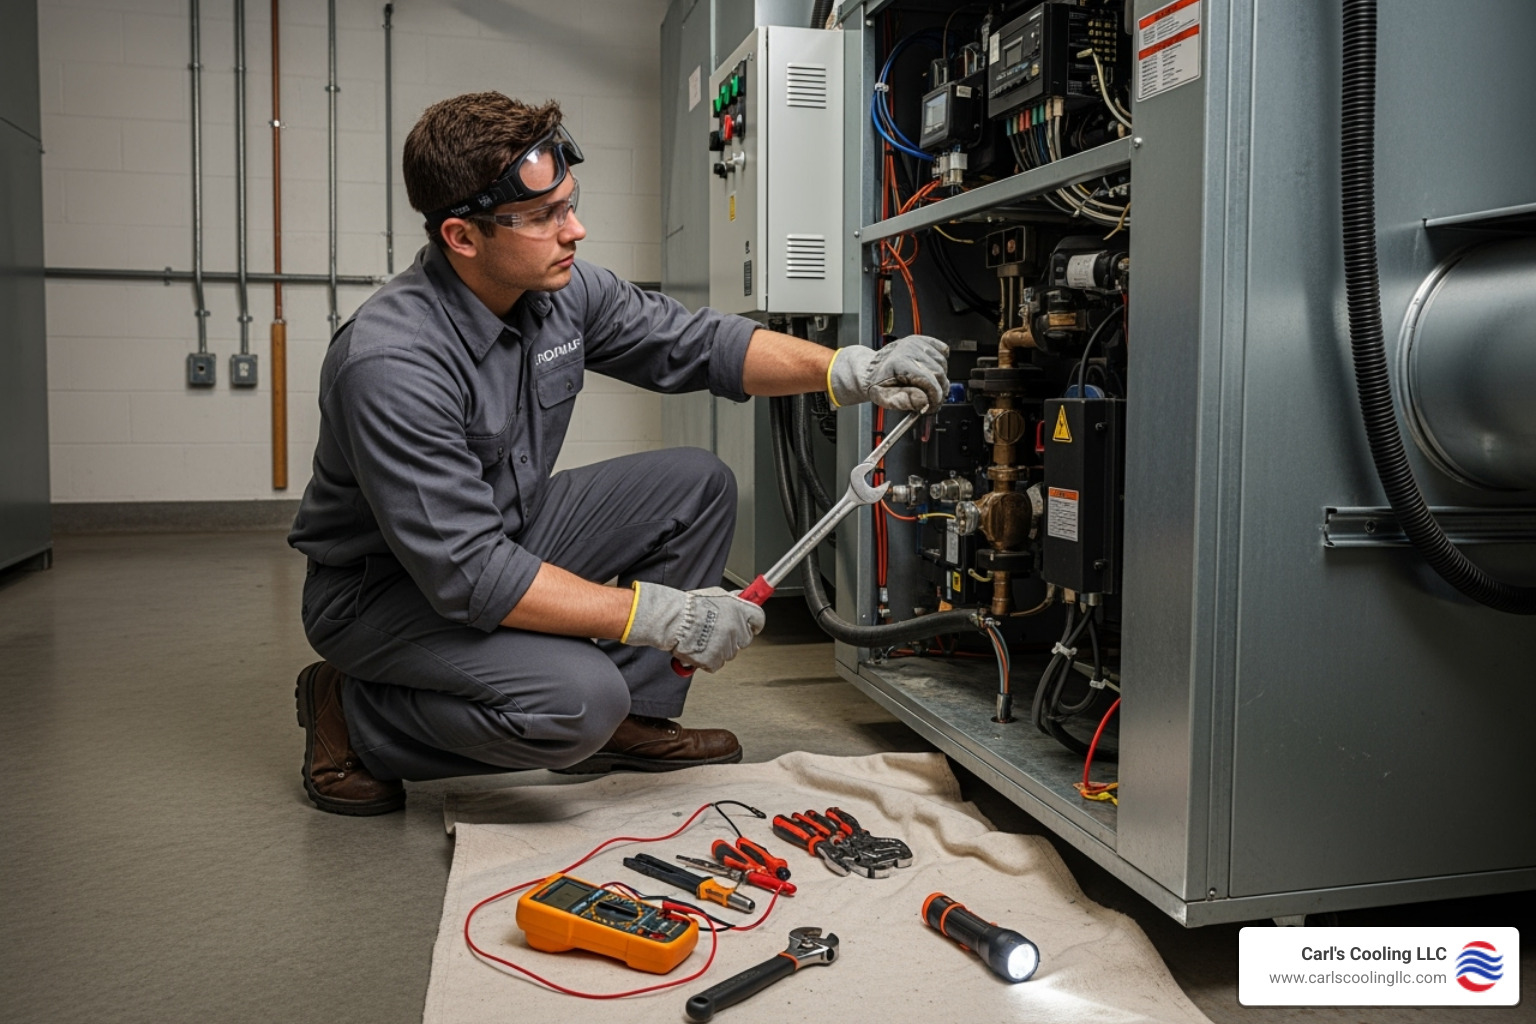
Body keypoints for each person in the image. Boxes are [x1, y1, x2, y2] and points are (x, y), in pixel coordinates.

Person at [287, 92, 948, 815]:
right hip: (384, 591)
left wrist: (848, 370)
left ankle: (629, 720)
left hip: (502, 532)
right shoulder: (392, 362)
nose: (576, 230)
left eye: (570, 203)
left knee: (694, 484)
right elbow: (470, 574)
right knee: (575, 701)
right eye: (544, 217)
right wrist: (657, 616)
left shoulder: (559, 291)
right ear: (463, 236)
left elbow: (700, 343)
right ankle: (354, 714)